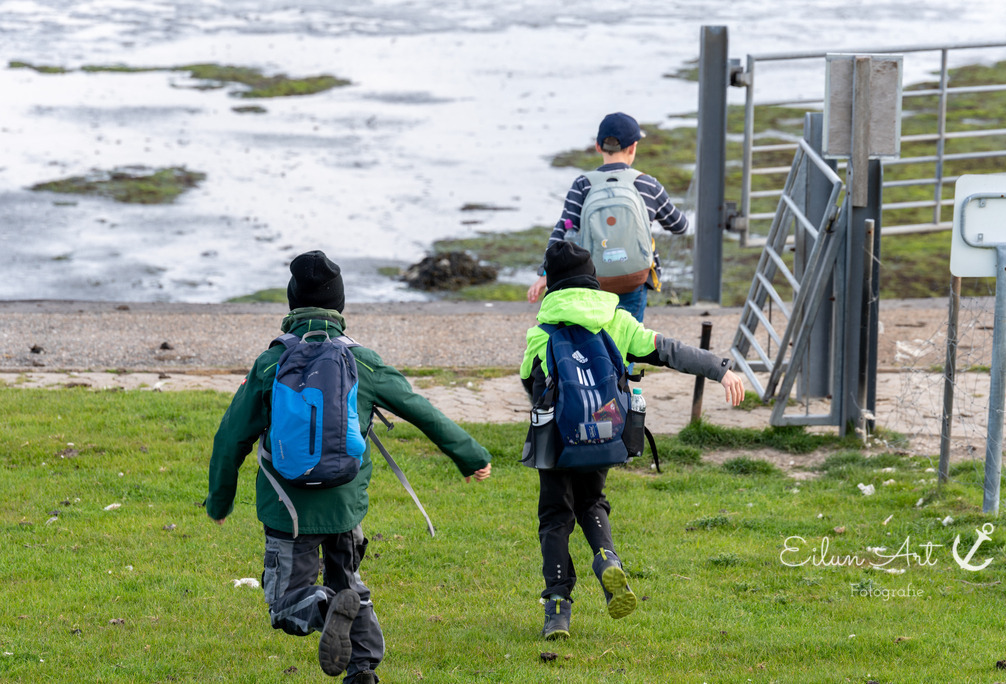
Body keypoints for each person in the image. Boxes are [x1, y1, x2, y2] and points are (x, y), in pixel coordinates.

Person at [206, 250, 492, 682]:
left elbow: (231, 438)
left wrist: (219, 500)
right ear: (339, 305)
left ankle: (324, 610)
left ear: (292, 304)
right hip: (344, 502)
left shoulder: (270, 364)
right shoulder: (363, 361)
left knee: (287, 604)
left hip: (289, 508)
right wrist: (470, 455)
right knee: (348, 582)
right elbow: (421, 409)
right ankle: (362, 670)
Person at [521, 241, 744, 640]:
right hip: (605, 433)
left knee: (555, 517)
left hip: (556, 441)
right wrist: (720, 369)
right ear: (594, 280)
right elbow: (668, 351)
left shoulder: (541, 331)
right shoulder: (619, 321)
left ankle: (557, 607)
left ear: (553, 285)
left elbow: (529, 381)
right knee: (592, 500)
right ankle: (606, 558)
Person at [527, 111, 688, 322]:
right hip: (635, 278)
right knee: (629, 337)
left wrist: (544, 274)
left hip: (593, 279)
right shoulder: (648, 185)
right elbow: (680, 225)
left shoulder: (582, 185)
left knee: (595, 333)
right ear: (633, 147)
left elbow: (564, 231)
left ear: (598, 146)